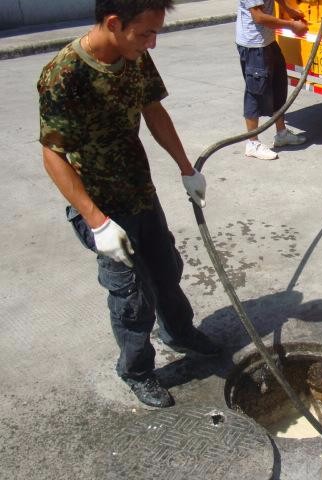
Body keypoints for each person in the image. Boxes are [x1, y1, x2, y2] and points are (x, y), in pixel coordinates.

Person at [38, 0, 218, 408]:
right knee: (131, 296)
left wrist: (186, 167)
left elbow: (152, 109)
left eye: (157, 33)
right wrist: (97, 221)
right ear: (114, 23)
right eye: (145, 34)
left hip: (141, 192)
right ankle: (136, 370)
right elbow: (53, 155)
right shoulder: (65, 74)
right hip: (102, 205)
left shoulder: (133, 56)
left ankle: (180, 333)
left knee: (166, 270)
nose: (152, 44)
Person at [236, 0, 309, 160]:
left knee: (278, 85)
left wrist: (288, 9)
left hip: (268, 41)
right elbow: (259, 17)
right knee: (255, 92)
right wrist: (291, 25)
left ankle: (281, 133)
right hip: (254, 45)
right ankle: (252, 143)